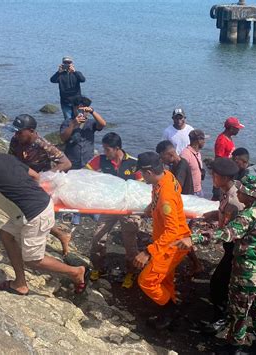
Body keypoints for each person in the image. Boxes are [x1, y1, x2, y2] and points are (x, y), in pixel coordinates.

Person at [0, 129, 89, 295]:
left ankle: (75, 271)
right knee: (6, 235)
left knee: (33, 260)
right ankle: (20, 283)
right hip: (36, 207)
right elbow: (35, 176)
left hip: (34, 214)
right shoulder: (6, 157)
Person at [174, 175, 256, 354]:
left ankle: (234, 347)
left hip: (248, 272)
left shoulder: (248, 215)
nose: (238, 194)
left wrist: (194, 239)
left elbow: (226, 233)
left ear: (249, 194)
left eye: (241, 191)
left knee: (239, 310)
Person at [133, 152, 191, 330]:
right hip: (171, 239)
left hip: (173, 243)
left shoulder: (166, 196)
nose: (142, 176)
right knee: (165, 278)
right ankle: (170, 303)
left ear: (149, 172)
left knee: (147, 280)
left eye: (142, 173)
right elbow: (158, 195)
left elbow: (171, 231)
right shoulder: (166, 177)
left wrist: (148, 252)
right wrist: (151, 207)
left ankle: (170, 310)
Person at [8, 114, 72, 256]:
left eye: (20, 132)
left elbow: (66, 163)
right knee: (21, 211)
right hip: (23, 181)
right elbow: (11, 159)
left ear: (31, 131)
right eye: (16, 131)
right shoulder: (16, 141)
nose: (16, 134)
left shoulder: (43, 144)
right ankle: (60, 234)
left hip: (41, 185)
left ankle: (61, 235)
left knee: (34, 214)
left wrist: (46, 176)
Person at [86, 132, 142, 288]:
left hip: (128, 209)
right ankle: (98, 268)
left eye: (107, 149)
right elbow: (85, 174)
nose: (104, 152)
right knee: (98, 238)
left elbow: (142, 186)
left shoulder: (133, 163)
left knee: (130, 244)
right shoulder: (101, 160)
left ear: (117, 149)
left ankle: (131, 272)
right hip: (109, 207)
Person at [199, 157, 244, 335]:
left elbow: (236, 227)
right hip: (230, 244)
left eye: (214, 175)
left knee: (218, 283)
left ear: (225, 178)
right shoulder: (226, 191)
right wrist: (214, 214)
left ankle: (222, 317)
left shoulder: (235, 200)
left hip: (237, 247)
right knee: (223, 281)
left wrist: (206, 236)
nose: (212, 177)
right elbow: (224, 211)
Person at [156, 139, 202, 276]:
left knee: (181, 236)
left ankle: (195, 264)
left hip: (184, 205)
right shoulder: (174, 164)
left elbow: (177, 186)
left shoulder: (181, 165)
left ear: (169, 154)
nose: (161, 159)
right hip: (179, 204)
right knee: (181, 236)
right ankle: (193, 263)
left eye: (161, 156)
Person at [60, 95, 107, 170]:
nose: (81, 113)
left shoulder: (91, 123)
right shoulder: (67, 122)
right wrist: (73, 124)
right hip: (72, 160)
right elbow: (63, 138)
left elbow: (103, 124)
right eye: (78, 110)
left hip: (88, 160)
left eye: (83, 111)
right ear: (74, 108)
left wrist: (92, 111)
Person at [213, 117, 244, 200]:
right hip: (223, 174)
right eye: (237, 128)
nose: (238, 130)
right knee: (220, 196)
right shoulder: (222, 140)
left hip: (228, 173)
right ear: (231, 128)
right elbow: (218, 160)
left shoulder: (229, 138)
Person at [180, 129, 207, 197]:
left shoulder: (197, 153)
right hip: (190, 192)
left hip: (199, 190)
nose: (204, 142)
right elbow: (181, 174)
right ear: (198, 141)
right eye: (203, 139)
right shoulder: (185, 154)